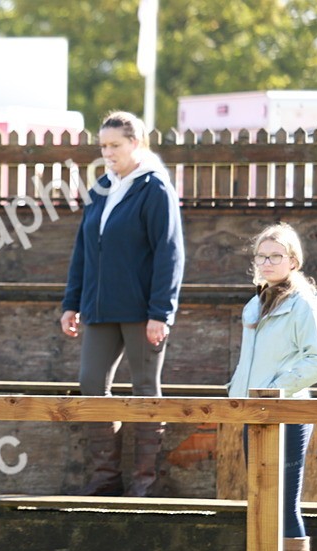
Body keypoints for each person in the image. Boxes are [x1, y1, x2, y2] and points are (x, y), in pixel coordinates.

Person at [60, 110, 185, 497]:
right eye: (103, 146)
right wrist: (72, 302)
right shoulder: (100, 187)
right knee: (91, 383)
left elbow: (169, 253)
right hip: (98, 309)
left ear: (137, 143)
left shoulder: (155, 187)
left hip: (142, 312)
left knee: (146, 388)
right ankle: (105, 480)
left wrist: (160, 312)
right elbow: (84, 248)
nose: (108, 152)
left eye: (115, 145)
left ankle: (144, 484)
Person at [228, 223, 317, 551]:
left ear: (293, 261)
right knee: (260, 499)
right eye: (261, 256)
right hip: (252, 413)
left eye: (275, 256)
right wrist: (238, 396)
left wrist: (273, 389)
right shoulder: (256, 303)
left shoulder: (304, 303)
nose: (266, 262)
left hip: (287, 414)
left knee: (284, 502)